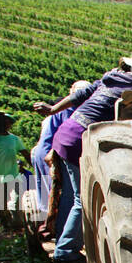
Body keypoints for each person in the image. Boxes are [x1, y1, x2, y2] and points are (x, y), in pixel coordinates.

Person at [33, 46, 132, 263]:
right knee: (81, 200)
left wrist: (53, 109)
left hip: (66, 133)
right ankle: (65, 252)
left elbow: (80, 95)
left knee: (69, 195)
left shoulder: (113, 77)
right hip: (80, 142)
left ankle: (61, 240)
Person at [30, 80, 91, 236]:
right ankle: (57, 230)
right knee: (61, 192)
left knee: (53, 190)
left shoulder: (66, 107)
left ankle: (52, 225)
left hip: (47, 149)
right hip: (51, 151)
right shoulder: (71, 110)